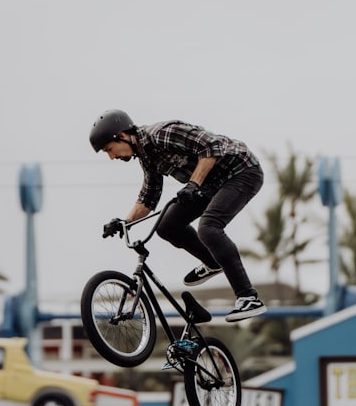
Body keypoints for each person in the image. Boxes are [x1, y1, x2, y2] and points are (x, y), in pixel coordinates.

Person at [90, 109, 266, 321]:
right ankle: (213, 262)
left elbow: (211, 146)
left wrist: (193, 184)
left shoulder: (161, 134)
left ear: (123, 135)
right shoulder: (147, 158)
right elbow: (149, 197)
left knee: (209, 227)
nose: (111, 157)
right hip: (210, 184)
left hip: (241, 171)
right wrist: (123, 222)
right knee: (167, 226)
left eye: (110, 149)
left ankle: (248, 298)